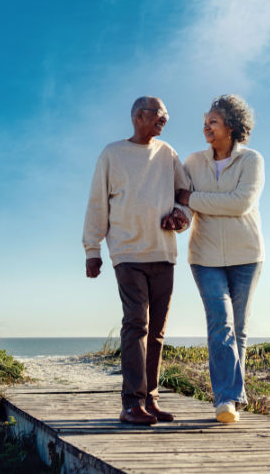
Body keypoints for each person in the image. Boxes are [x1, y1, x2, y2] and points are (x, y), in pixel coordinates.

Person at [83, 96, 191, 425]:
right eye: (160, 115)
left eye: (166, 116)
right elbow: (97, 202)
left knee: (156, 331)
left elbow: (184, 193)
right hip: (127, 254)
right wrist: (92, 249)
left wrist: (181, 215)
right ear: (139, 116)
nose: (165, 120)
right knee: (136, 324)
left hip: (163, 253)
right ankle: (131, 403)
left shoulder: (168, 153)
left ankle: (151, 400)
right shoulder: (112, 154)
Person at [176, 94, 264, 424]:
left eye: (212, 121)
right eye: (205, 121)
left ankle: (234, 397)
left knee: (238, 329)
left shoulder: (252, 160)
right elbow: (183, 203)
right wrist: (181, 213)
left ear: (231, 125)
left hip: (247, 255)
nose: (205, 126)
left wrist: (195, 198)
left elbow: (240, 203)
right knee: (220, 324)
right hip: (205, 255)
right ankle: (225, 399)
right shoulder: (193, 162)